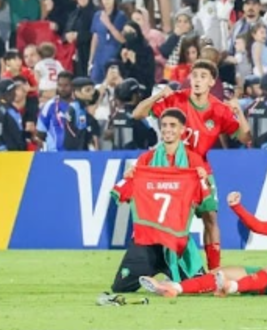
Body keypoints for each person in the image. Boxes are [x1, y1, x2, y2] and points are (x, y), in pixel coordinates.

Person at [133, 60, 252, 271]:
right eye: (195, 75)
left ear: (211, 82)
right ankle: (173, 266)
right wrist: (159, 95)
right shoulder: (176, 99)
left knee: (210, 217)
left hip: (201, 171)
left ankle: (214, 270)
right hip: (174, 172)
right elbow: (138, 114)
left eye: (203, 77)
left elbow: (245, 138)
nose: (197, 80)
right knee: (174, 223)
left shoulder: (219, 110)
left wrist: (240, 114)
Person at [144, 179, 267, 298]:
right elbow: (259, 227)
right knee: (222, 271)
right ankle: (174, 288)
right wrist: (237, 207)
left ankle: (232, 287)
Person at [109, 108, 209, 293]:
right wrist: (130, 176)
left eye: (173, 125)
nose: (167, 129)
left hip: (176, 241)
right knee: (120, 287)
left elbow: (205, 205)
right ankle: (162, 281)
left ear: (182, 130)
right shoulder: (146, 160)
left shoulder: (193, 161)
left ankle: (164, 284)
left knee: (200, 287)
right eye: (164, 125)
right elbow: (120, 194)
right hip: (147, 239)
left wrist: (202, 179)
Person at [88, 0, 126, 83]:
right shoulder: (97, 15)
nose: (106, 1)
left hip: (113, 54)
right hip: (99, 55)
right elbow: (95, 38)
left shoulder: (120, 16)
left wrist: (108, 24)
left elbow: (122, 39)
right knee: (95, 82)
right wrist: (91, 59)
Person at [108, 77, 156, 149]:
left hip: (116, 157)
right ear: (134, 96)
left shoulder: (115, 116)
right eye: (138, 93)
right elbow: (153, 139)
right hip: (135, 156)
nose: (140, 95)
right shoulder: (137, 116)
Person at [0, 78, 27, 151]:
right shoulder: (10, 111)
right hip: (6, 155)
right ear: (9, 93)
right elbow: (18, 135)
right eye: (14, 91)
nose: (15, 94)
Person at [36, 71, 73, 151]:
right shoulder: (49, 105)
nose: (62, 88)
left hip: (75, 153)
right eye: (59, 85)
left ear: (72, 86)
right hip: (54, 153)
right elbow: (40, 133)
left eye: (66, 85)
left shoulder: (78, 106)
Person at [63, 76, 100, 151]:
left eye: (92, 89)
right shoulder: (74, 109)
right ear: (77, 92)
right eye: (87, 90)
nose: (92, 93)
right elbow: (73, 133)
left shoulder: (84, 109)